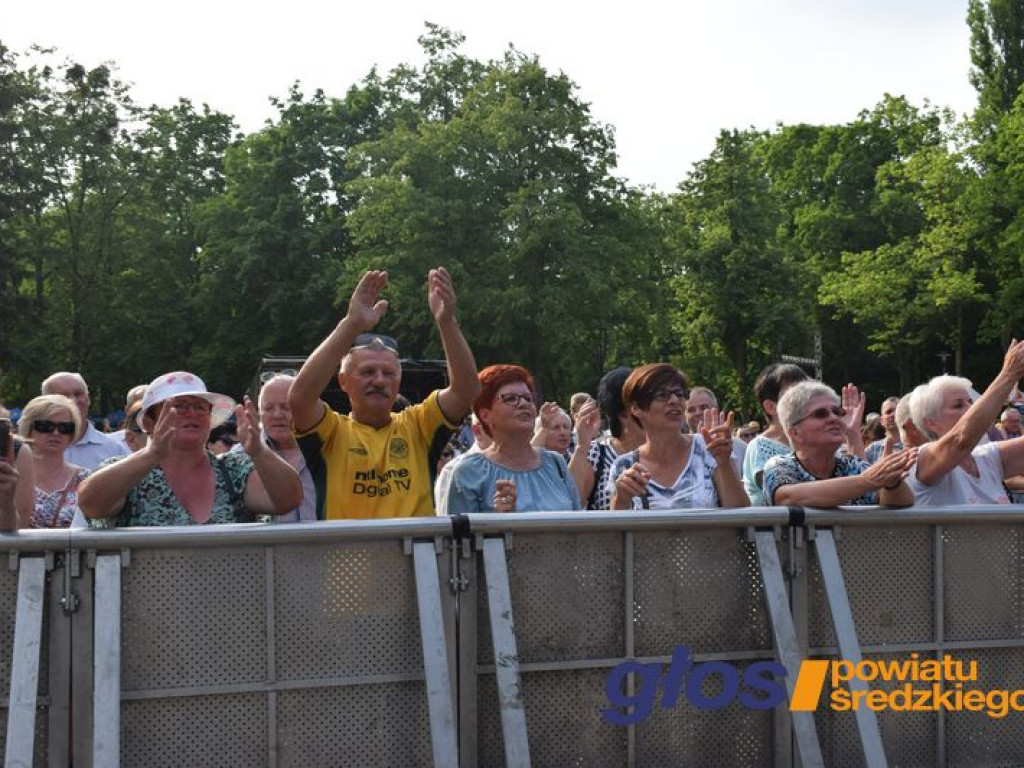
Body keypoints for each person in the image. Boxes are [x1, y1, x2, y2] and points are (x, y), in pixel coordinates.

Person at [289, 268, 480, 519]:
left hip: (414, 558)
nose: (379, 380)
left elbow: (466, 390)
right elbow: (299, 398)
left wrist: (446, 321)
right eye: (368, 372)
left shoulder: (418, 427)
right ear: (343, 381)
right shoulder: (332, 432)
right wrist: (351, 324)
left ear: (398, 382)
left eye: (388, 373)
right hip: (347, 558)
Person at [79, 371, 302, 526]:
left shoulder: (235, 469)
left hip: (232, 593)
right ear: (149, 423)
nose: (192, 413)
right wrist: (151, 454)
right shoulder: (125, 472)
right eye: (179, 407)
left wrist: (258, 451)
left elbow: (288, 500)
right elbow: (91, 504)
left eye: (200, 407)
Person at [437, 365, 580, 513]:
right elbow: (460, 535)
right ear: (485, 415)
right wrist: (498, 521)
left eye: (528, 397)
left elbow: (580, 527)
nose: (523, 404)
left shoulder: (556, 464)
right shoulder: (468, 472)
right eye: (510, 398)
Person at [609, 364, 748, 511]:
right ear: (636, 408)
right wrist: (622, 499)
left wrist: (724, 463)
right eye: (663, 395)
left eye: (680, 394)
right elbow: (615, 531)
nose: (675, 400)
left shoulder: (708, 447)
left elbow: (741, 513)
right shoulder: (624, 466)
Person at [906, 339, 1024, 506]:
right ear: (932, 423)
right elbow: (960, 441)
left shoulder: (987, 457)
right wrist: (1009, 375)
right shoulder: (921, 459)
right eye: (958, 405)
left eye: (970, 402)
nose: (971, 408)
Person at [762, 381, 916, 508]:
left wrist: (892, 482)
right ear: (794, 432)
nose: (834, 418)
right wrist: (866, 481)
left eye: (837, 412)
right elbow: (787, 497)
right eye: (821, 414)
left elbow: (902, 502)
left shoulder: (852, 465)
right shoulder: (780, 465)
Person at [569, 367, 645, 510]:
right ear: (623, 414)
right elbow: (570, 502)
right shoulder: (596, 453)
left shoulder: (667, 451)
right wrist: (582, 446)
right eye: (643, 403)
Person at [741, 364, 809, 506]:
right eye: (795, 393)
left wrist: (852, 436)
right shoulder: (761, 446)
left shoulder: (812, 441)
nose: (806, 397)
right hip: (770, 527)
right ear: (771, 407)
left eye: (807, 390)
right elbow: (785, 495)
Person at [18, 395, 90, 528]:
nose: (56, 433)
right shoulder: (10, 476)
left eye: (65, 427)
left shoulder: (86, 479)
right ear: (28, 429)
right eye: (45, 426)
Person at [255, 374, 317, 522]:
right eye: (269, 408)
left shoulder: (329, 450)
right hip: (268, 545)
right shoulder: (241, 458)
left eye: (286, 407)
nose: (277, 415)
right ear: (259, 413)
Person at [41, 372, 128, 469]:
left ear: (89, 399)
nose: (73, 400)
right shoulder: (31, 449)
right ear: (46, 402)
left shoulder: (114, 450)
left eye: (78, 394)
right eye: (63, 396)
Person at [684, 386, 746, 475]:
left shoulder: (740, 447)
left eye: (703, 407)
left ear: (716, 410)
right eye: (691, 410)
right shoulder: (678, 450)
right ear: (684, 415)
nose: (697, 413)